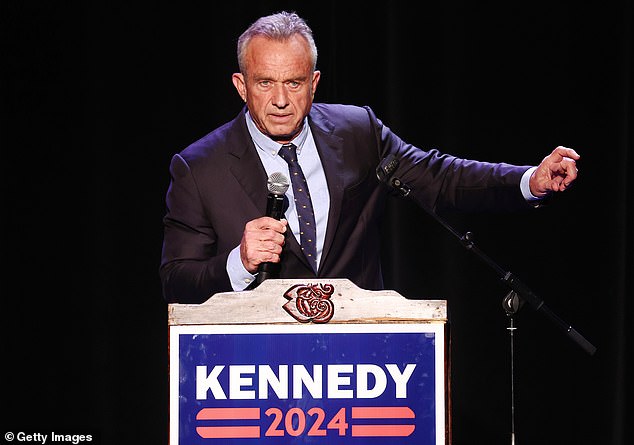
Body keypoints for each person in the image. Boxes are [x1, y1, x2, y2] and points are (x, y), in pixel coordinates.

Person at [160, 11, 579, 304]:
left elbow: (439, 177)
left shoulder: (356, 132)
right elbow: (177, 282)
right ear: (241, 85)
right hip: (258, 366)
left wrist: (529, 180)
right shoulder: (199, 168)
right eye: (265, 82)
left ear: (314, 82)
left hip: (360, 357)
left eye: (294, 82)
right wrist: (239, 261)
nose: (281, 100)